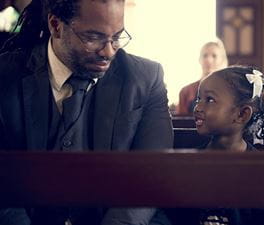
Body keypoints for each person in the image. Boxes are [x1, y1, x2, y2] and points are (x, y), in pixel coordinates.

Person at [0, 0, 173, 224]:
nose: (109, 51)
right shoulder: (5, 76)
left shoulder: (146, 78)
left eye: (117, 36)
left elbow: (151, 175)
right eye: (93, 38)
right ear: (55, 25)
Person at [167, 66, 264, 225]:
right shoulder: (188, 166)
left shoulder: (262, 172)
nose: (197, 107)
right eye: (198, 99)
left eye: (209, 100)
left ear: (242, 114)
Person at [176, 39, 228, 115]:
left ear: (222, 60)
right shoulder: (186, 91)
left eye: (214, 56)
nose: (209, 60)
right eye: (205, 55)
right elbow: (181, 123)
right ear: (199, 59)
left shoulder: (229, 91)